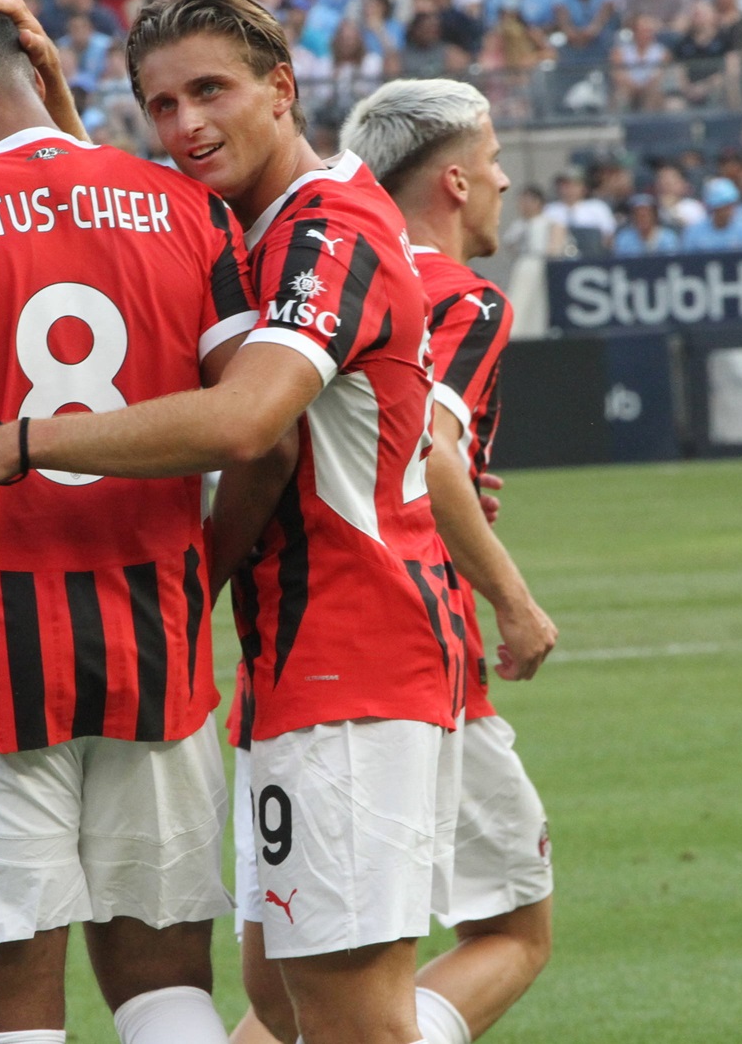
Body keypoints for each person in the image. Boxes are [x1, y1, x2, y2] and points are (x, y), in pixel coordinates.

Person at [0, 0, 471, 1044]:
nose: (184, 127)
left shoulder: (331, 233)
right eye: (159, 106)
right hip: (292, 669)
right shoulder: (248, 225)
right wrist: (61, 120)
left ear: (281, 88)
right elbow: (138, 219)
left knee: (353, 1018)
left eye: (209, 92)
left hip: (354, 659)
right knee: (277, 1001)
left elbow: (242, 422)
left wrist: (14, 441)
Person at [0, 2, 255, 1044]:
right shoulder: (187, 210)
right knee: (166, 990)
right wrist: (189, 581)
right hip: (154, 648)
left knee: (12, 1005)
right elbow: (264, 438)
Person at [220, 78, 553, 1044]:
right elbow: (433, 456)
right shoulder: (452, 297)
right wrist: (516, 600)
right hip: (400, 647)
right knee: (513, 932)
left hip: (285, 653)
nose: (500, 181)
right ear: (453, 180)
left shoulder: (290, 259)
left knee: (289, 994)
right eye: (491, 163)